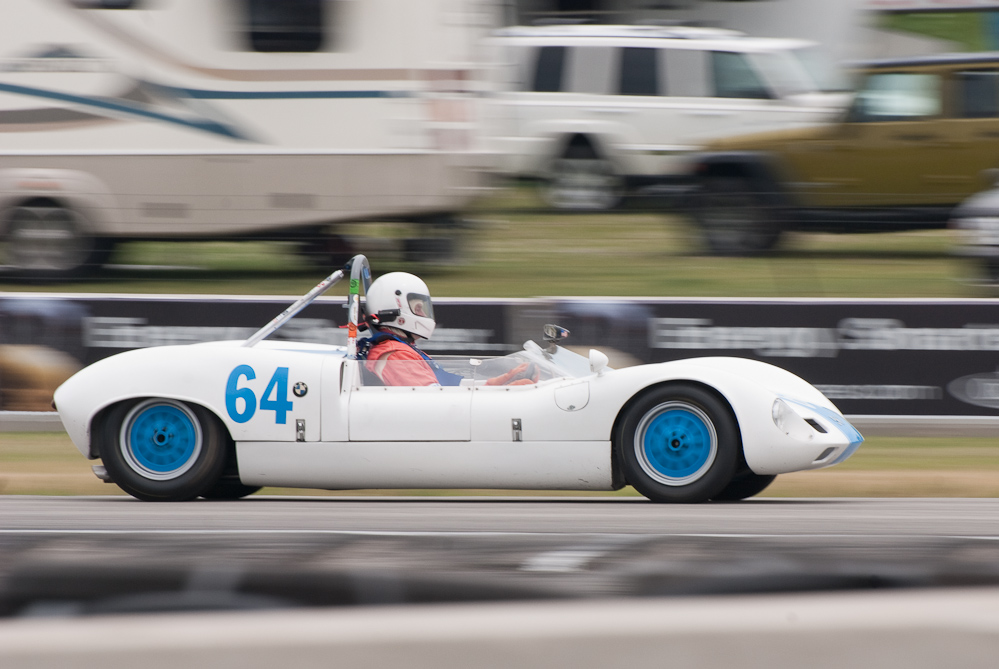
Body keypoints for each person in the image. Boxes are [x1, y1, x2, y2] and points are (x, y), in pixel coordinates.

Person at [359, 272, 537, 387]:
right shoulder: (394, 355)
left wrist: (497, 384)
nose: (422, 313)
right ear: (396, 309)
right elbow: (437, 405)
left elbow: (447, 387)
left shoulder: (402, 350)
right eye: (418, 307)